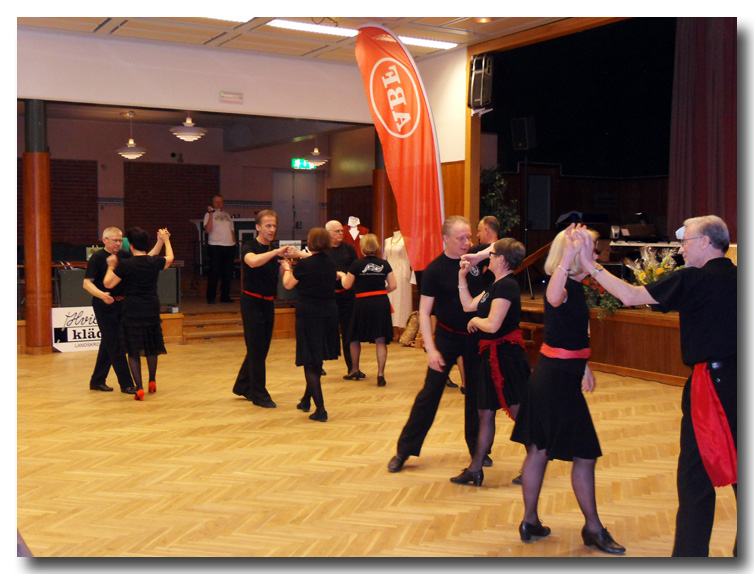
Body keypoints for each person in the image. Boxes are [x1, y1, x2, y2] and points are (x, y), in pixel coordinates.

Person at [574, 215, 736, 557]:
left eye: (686, 242)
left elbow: (630, 296)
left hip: (712, 388)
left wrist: (590, 265)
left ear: (705, 242)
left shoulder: (694, 278)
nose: (682, 249)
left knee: (695, 481)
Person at [510, 223, 626, 555]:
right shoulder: (560, 283)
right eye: (591, 249)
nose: (596, 254)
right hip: (555, 381)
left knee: (540, 450)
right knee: (582, 454)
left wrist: (584, 365)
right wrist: (569, 256)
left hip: (557, 375)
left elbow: (565, 332)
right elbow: (552, 297)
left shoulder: (575, 286)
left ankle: (531, 521)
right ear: (572, 253)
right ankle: (592, 528)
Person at [387, 216, 487, 473]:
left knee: (476, 395)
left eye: (469, 237)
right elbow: (424, 312)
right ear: (445, 239)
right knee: (429, 394)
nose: (467, 242)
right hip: (446, 337)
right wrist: (430, 349)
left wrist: (478, 255)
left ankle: (478, 451)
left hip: (475, 337)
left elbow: (504, 247)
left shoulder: (475, 262)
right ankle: (404, 450)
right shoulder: (434, 270)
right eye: (461, 238)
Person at [450, 238, 530, 487]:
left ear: (502, 260)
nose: (489, 257)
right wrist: (462, 277)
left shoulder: (507, 286)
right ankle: (475, 469)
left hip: (507, 357)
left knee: (519, 412)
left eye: (492, 254)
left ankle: (535, 462)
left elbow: (493, 324)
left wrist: (476, 322)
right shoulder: (496, 285)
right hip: (491, 356)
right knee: (485, 412)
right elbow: (468, 306)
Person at [104, 227, 174, 401]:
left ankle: (139, 388)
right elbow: (170, 258)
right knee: (151, 344)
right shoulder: (153, 261)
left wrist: (111, 267)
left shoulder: (126, 264)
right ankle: (152, 380)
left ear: (131, 245)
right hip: (151, 307)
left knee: (133, 349)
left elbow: (108, 284)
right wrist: (165, 241)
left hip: (132, 308)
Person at [232, 210, 290, 408]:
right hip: (251, 302)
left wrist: (289, 265)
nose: (272, 229)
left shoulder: (274, 250)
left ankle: (243, 385)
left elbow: (283, 275)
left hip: (268, 303)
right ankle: (259, 395)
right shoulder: (249, 246)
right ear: (258, 227)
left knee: (260, 348)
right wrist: (276, 253)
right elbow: (252, 261)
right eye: (268, 225)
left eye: (274, 226)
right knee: (256, 348)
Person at [281, 227, 340, 422]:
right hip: (329, 312)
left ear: (311, 242)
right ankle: (306, 401)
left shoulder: (305, 265)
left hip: (310, 313)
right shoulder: (331, 262)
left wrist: (287, 268)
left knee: (310, 361)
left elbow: (288, 284)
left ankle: (321, 410)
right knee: (317, 358)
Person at [83, 227, 138, 395]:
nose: (118, 244)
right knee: (115, 343)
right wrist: (101, 295)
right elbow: (87, 283)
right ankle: (126, 384)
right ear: (105, 240)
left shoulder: (125, 256)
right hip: (103, 304)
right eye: (115, 240)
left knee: (109, 342)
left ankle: (97, 380)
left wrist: (161, 242)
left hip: (121, 303)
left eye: (120, 240)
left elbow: (143, 259)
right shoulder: (97, 257)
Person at [338, 233, 397, 386]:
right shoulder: (384, 264)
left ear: (362, 248)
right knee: (380, 339)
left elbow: (347, 285)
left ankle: (354, 370)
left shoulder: (356, 264)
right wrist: (380, 292)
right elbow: (393, 285)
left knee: (354, 337)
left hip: (362, 303)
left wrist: (342, 275)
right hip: (381, 302)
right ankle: (381, 374)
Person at [324, 220, 361, 378]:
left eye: (341, 231)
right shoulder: (323, 250)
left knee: (349, 332)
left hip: (347, 296)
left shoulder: (349, 248)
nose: (341, 233)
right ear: (328, 233)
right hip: (329, 297)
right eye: (337, 231)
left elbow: (356, 268)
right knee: (324, 331)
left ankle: (353, 368)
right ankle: (318, 365)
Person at [203, 194, 236, 304]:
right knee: (214, 272)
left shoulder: (227, 215)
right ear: (212, 203)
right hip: (215, 246)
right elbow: (207, 230)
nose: (218, 204)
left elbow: (231, 230)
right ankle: (211, 297)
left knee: (227, 272)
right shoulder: (208, 214)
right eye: (216, 202)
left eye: (220, 201)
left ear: (223, 203)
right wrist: (211, 214)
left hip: (229, 246)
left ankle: (225, 296)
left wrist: (234, 242)